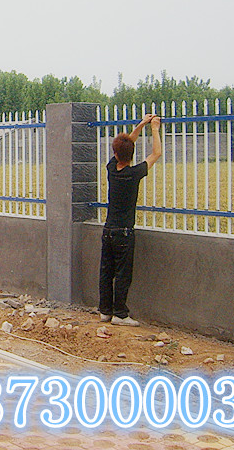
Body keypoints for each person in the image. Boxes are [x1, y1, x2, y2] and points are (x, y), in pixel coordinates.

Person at [99, 114, 162, 326]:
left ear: (115, 154)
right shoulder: (134, 173)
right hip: (124, 232)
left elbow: (125, 146)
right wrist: (154, 128)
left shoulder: (111, 169)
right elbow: (156, 153)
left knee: (106, 271)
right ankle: (120, 314)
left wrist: (140, 125)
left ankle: (105, 311)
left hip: (108, 230)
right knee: (123, 273)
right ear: (131, 155)